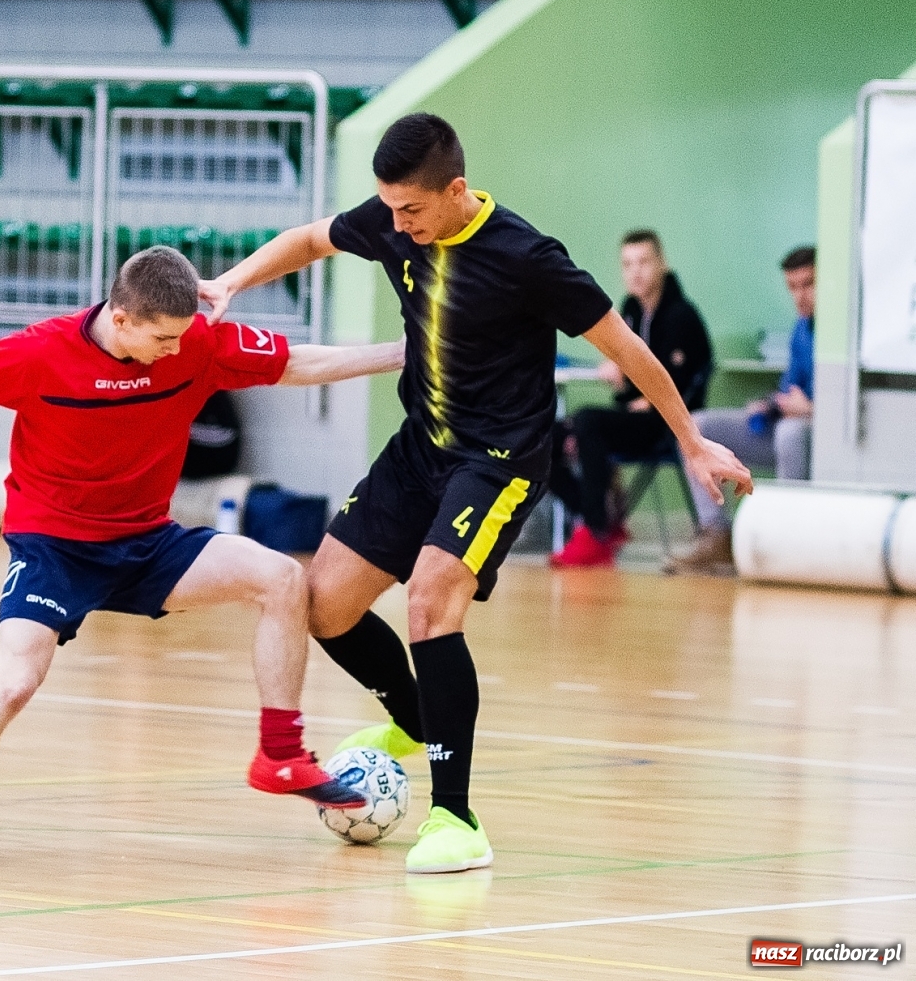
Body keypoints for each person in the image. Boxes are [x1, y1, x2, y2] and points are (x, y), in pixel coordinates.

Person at [199, 113, 752, 874]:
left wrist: (690, 440)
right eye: (389, 209)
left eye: (412, 211)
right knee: (322, 602)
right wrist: (230, 283)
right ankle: (415, 720)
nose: (396, 226)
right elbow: (310, 239)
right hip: (420, 447)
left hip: (499, 460)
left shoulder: (528, 258)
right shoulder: (397, 219)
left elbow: (627, 347)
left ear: (456, 190)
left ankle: (456, 818)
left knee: (430, 602)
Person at [0, 245, 406, 865]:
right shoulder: (39, 354)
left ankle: (281, 753)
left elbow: (297, 363)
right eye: (162, 338)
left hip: (147, 543)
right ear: (120, 317)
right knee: (17, 677)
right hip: (54, 546)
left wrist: (406, 351)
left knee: (281, 577)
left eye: (181, 337)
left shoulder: (192, 343)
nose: (176, 351)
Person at [548, 229, 713, 567]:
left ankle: (596, 532)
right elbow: (630, 384)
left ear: (662, 264)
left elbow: (682, 383)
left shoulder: (681, 315)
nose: (635, 271)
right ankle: (602, 520)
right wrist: (619, 374)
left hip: (667, 425)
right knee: (545, 438)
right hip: (636, 417)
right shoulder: (630, 310)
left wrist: (648, 400)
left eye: (643, 262)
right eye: (628, 264)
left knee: (588, 421)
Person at [667, 246, 816, 575]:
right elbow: (789, 387)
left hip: (815, 434)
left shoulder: (838, 332)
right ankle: (717, 534)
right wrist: (770, 402)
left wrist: (813, 409)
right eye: (793, 287)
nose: (800, 296)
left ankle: (789, 541)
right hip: (783, 426)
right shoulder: (800, 331)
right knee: (698, 425)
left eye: (808, 284)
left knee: (791, 433)